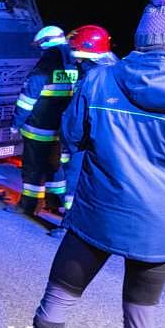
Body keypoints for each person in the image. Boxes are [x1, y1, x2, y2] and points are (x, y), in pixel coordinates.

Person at [15, 0, 165, 328]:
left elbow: (72, 136)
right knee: (140, 321)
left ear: (143, 36)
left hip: (95, 217)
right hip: (158, 230)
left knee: (57, 301)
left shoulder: (100, 80)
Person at [7, 26, 77, 216]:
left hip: (39, 128)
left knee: (33, 167)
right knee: (55, 166)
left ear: (46, 42)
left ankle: (28, 206)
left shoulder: (44, 66)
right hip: (62, 129)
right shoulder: (75, 63)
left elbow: (27, 100)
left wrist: (16, 123)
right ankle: (57, 203)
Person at [60, 25, 119, 213]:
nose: (74, 57)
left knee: (75, 181)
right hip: (112, 144)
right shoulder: (118, 71)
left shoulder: (91, 77)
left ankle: (68, 224)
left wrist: (70, 141)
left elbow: (76, 118)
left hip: (85, 142)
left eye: (76, 51)